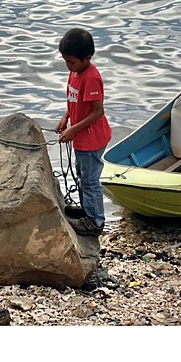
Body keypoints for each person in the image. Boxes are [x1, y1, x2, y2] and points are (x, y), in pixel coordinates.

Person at [55, 28, 112, 236]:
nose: (68, 66)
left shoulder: (91, 78)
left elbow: (98, 112)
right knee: (82, 175)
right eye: (65, 61)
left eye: (71, 62)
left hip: (92, 139)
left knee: (89, 180)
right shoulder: (75, 72)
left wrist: (73, 129)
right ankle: (87, 211)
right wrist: (66, 118)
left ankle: (96, 221)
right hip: (81, 137)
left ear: (87, 58)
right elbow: (74, 101)